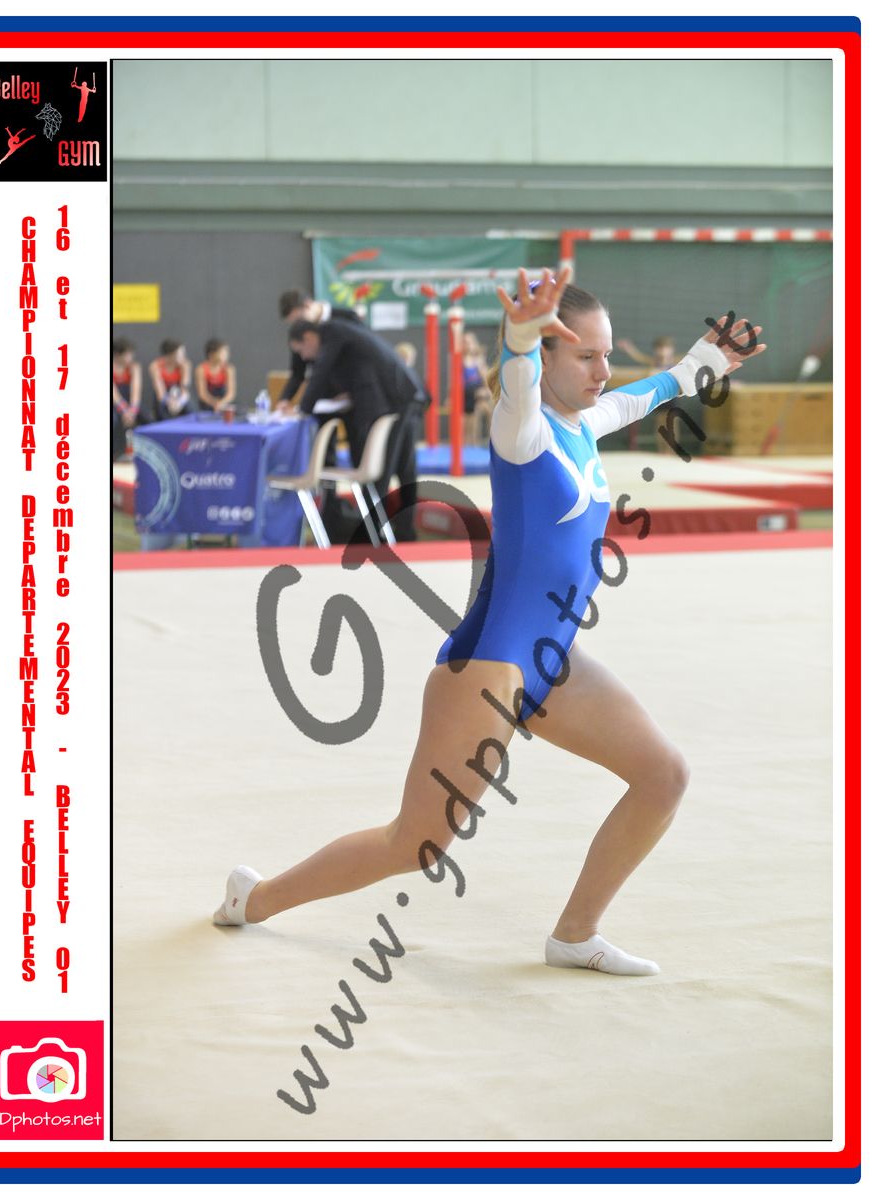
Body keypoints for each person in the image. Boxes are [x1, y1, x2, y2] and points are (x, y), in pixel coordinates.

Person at [215, 266, 765, 977]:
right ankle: (254, 900)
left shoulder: (584, 425)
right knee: (416, 844)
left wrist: (705, 361)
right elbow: (517, 382)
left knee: (663, 775)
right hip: (488, 664)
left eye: (606, 354)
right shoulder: (522, 432)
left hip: (552, 659)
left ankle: (575, 934)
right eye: (586, 356)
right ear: (548, 357)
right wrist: (519, 338)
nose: (603, 371)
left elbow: (653, 390)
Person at [285, 317, 425, 542]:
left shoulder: (332, 331)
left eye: (302, 350)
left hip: (397, 396)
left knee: (386, 470)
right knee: (403, 468)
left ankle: (374, 533)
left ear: (309, 337)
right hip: (405, 393)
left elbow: (320, 372)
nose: (304, 357)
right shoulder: (345, 334)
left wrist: (302, 409)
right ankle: (402, 533)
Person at [278, 290, 363, 406]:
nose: (298, 326)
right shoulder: (300, 333)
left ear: (307, 305)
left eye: (299, 319)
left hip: (353, 397)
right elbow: (297, 372)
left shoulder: (347, 317)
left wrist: (352, 391)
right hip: (325, 402)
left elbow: (362, 358)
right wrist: (284, 399)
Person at [462, 330, 494, 447]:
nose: (467, 345)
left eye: (470, 342)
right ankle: (471, 442)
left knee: (487, 408)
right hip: (465, 395)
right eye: (465, 342)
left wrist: (487, 391)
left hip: (478, 395)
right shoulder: (458, 360)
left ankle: (490, 440)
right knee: (469, 422)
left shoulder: (478, 361)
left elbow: (486, 379)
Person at [112, 338, 143, 461]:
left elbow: (136, 390)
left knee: (148, 419)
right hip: (115, 402)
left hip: (130, 402)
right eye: (127, 354)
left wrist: (133, 411)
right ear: (117, 355)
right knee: (113, 420)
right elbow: (114, 394)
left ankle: (143, 451)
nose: (131, 357)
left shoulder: (134, 367)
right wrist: (124, 411)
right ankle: (115, 453)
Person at [148, 338, 193, 421]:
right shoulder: (155, 366)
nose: (183, 357)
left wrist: (179, 403)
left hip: (179, 396)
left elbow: (185, 390)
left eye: (184, 354)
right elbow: (160, 393)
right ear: (169, 355)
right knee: (161, 411)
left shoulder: (185, 365)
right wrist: (170, 403)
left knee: (190, 410)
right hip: (164, 397)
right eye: (180, 354)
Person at [195, 338, 237, 413]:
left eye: (226, 353)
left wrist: (221, 403)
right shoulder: (201, 369)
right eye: (222, 353)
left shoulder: (228, 369)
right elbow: (202, 394)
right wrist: (214, 403)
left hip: (223, 400)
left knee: (234, 408)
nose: (226, 355)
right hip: (208, 402)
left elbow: (231, 393)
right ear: (211, 354)